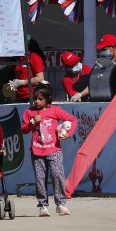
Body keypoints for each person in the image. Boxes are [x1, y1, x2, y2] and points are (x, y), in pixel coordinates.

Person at [21, 83, 77, 217]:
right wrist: (33, 121)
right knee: (40, 178)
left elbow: (72, 119)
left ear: (48, 99)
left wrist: (68, 134)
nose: (36, 101)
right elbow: (23, 129)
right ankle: (43, 205)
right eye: (35, 98)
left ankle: (61, 204)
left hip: (54, 150)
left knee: (58, 175)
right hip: (37, 151)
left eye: (40, 99)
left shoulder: (55, 110)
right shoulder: (30, 112)